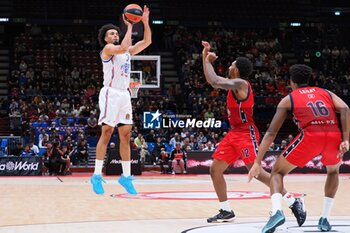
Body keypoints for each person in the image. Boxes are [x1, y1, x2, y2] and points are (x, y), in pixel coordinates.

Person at [201, 41, 305, 224]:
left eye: (232, 64)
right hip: (234, 133)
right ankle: (226, 211)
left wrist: (208, 61)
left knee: (257, 173)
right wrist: (204, 57)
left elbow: (215, 81)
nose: (230, 65)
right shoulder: (233, 83)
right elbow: (212, 80)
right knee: (215, 169)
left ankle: (292, 201)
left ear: (237, 70)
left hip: (246, 132)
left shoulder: (241, 84)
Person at [248, 64, 350, 233]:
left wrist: (257, 161)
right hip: (333, 135)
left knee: (277, 172)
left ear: (292, 82)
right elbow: (345, 109)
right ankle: (324, 219)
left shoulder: (289, 98)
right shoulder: (325, 92)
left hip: (311, 135)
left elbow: (272, 132)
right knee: (333, 172)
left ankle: (277, 212)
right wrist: (346, 139)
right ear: (308, 80)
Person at [90, 5, 152, 195]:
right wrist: (130, 26)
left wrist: (145, 22)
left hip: (125, 94)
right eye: (112, 33)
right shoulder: (108, 50)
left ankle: (126, 177)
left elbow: (147, 41)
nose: (115, 35)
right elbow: (123, 46)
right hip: (110, 93)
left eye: (117, 33)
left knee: (125, 136)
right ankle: (96, 176)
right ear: (105, 38)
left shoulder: (126, 52)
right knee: (107, 133)